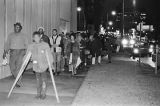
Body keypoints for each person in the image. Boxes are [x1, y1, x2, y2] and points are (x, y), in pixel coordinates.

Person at [25, 31, 53, 99]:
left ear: (40, 37)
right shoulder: (31, 45)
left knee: (44, 80)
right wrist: (26, 60)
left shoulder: (45, 45)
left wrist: (51, 64)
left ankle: (43, 94)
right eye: (34, 37)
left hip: (43, 66)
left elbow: (49, 55)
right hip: (36, 66)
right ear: (33, 38)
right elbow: (27, 55)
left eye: (37, 37)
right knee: (38, 80)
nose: (36, 39)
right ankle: (38, 93)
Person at [3, 22, 28, 87]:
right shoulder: (10, 35)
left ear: (20, 28)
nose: (16, 28)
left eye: (18, 27)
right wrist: (5, 52)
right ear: (14, 28)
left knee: (18, 68)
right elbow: (7, 44)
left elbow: (27, 45)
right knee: (12, 68)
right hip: (12, 52)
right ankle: (18, 78)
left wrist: (25, 52)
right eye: (15, 27)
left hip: (20, 52)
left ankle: (18, 82)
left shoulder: (24, 35)